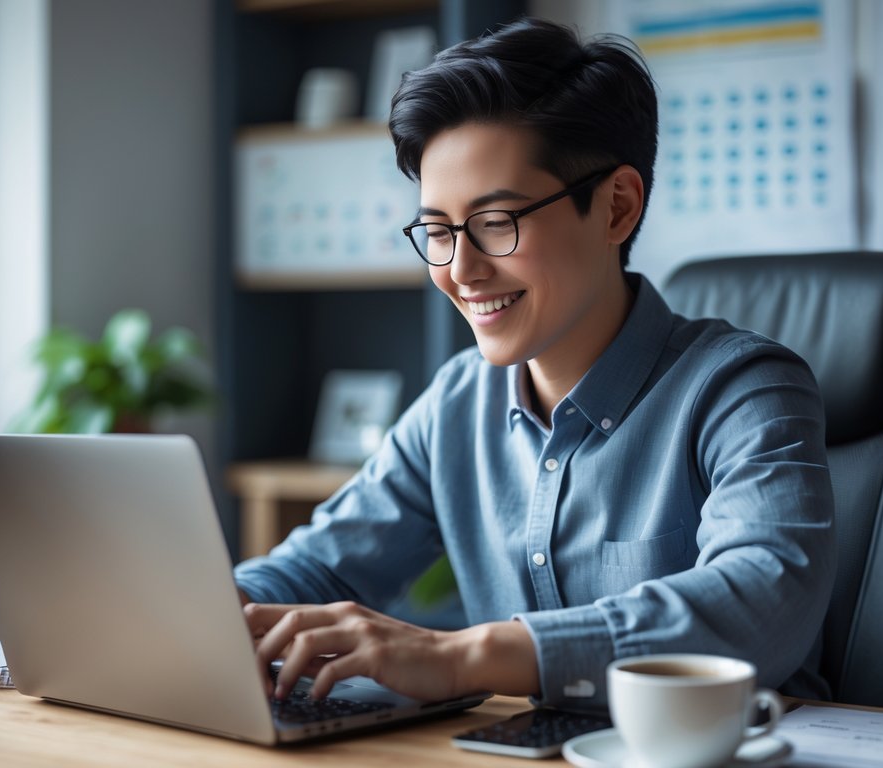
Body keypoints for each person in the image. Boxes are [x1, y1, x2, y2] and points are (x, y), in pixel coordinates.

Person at [235, 17, 835, 710]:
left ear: (615, 207)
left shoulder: (743, 389)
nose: (460, 270)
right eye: (436, 231)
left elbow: (763, 601)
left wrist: (467, 654)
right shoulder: (459, 401)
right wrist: (216, 613)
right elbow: (315, 567)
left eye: (496, 223)